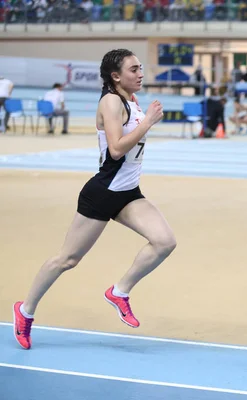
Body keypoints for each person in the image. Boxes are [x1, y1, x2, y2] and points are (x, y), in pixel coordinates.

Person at [12, 49, 177, 350]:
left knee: (165, 241)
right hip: (102, 193)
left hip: (127, 193)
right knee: (67, 259)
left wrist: (141, 118)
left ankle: (120, 291)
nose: (140, 73)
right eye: (133, 69)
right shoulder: (111, 101)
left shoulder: (128, 100)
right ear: (116, 76)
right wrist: (147, 122)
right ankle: (25, 312)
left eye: (141, 68)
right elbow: (115, 151)